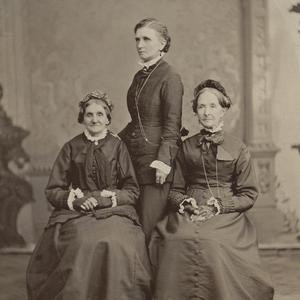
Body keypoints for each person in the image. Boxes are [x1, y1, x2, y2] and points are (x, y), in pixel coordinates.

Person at [150, 80, 274, 299]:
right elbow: (175, 189)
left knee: (213, 242)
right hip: (192, 206)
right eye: (201, 107)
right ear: (196, 112)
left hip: (226, 211)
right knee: (177, 239)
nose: (207, 112)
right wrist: (185, 202)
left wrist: (221, 205)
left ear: (224, 109)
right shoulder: (186, 146)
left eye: (212, 106)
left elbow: (248, 194)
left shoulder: (239, 147)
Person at [26, 91, 151, 300]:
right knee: (82, 242)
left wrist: (106, 199)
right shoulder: (71, 147)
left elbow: (132, 190)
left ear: (108, 118)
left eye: (100, 114)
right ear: (82, 118)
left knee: (116, 242)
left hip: (114, 210)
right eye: (90, 114)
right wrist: (77, 201)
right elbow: (53, 189)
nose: (95, 119)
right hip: (79, 213)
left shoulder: (118, 147)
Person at [119, 18, 184, 241]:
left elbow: (172, 124)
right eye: (137, 39)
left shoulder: (170, 76)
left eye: (146, 39)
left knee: (147, 229)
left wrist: (164, 162)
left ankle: (147, 276)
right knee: (132, 225)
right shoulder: (139, 76)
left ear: (162, 43)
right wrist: (111, 142)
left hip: (157, 163)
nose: (140, 44)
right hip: (133, 158)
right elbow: (136, 121)